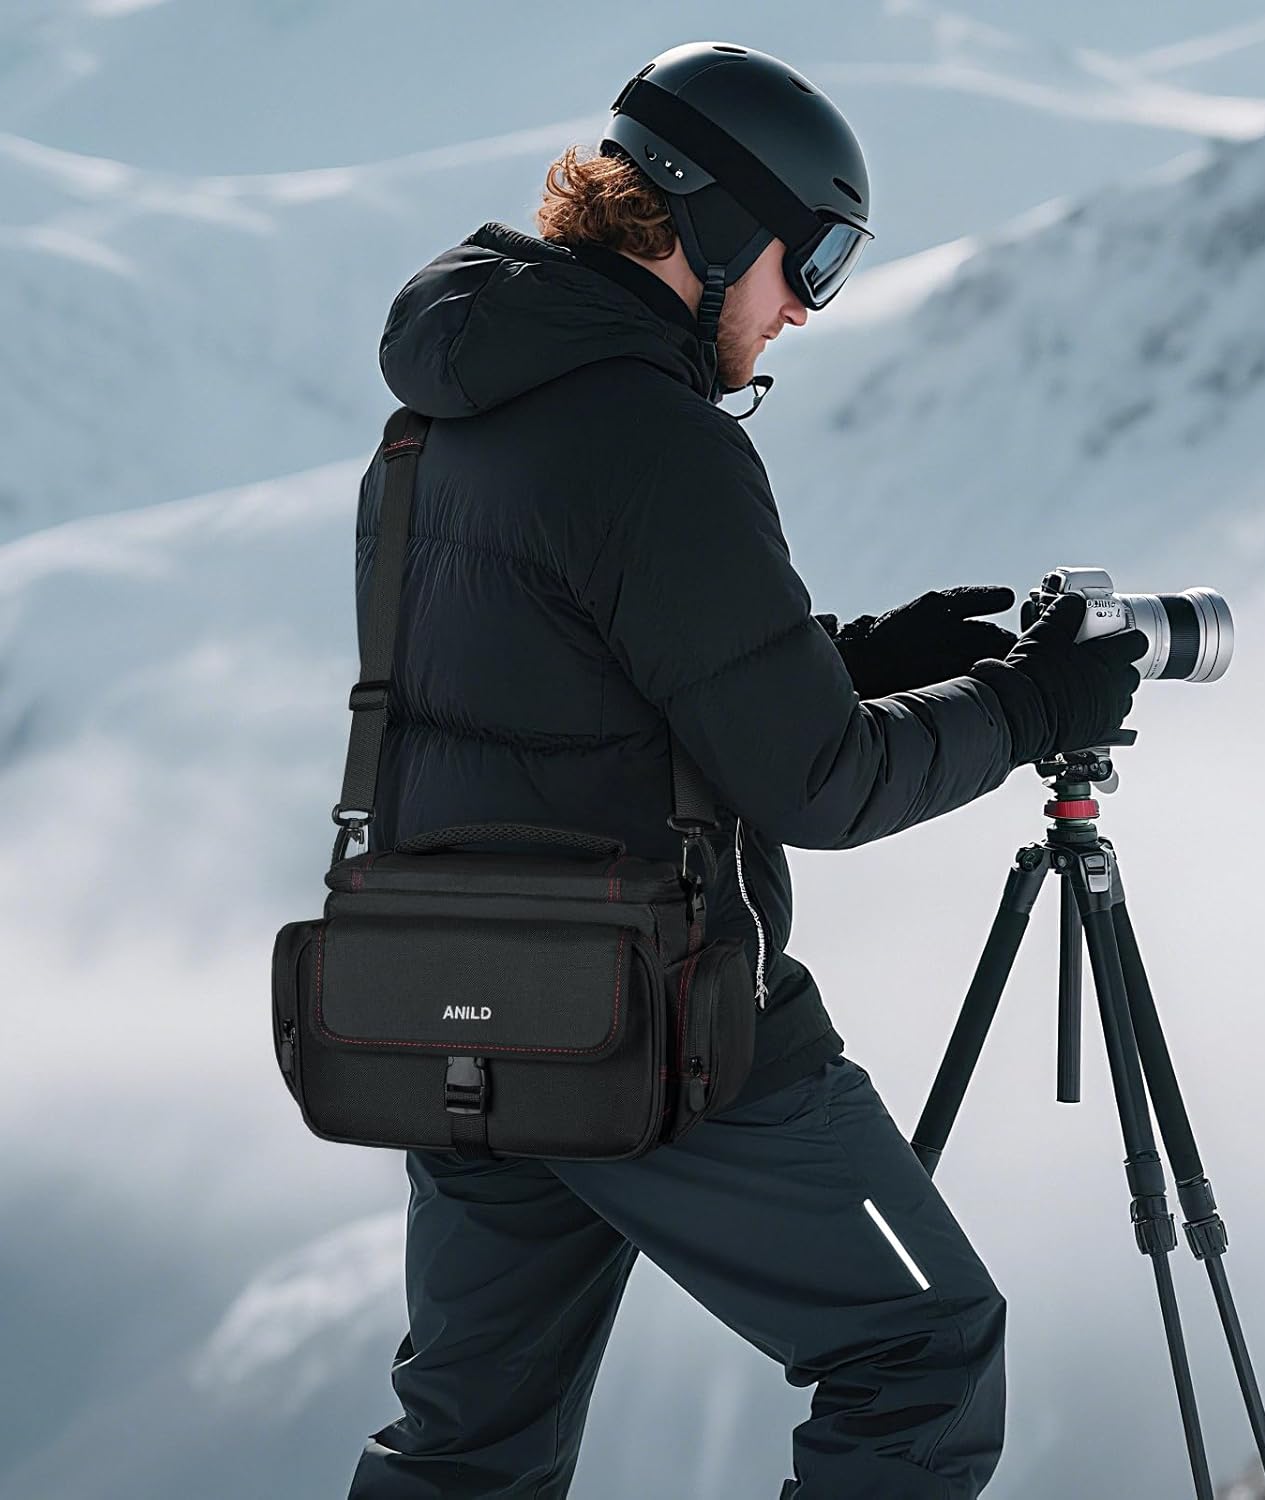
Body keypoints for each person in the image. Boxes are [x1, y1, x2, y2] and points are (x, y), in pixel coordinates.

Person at [344, 40, 1148, 1500]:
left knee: (468, 1453)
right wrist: (1032, 707)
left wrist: (853, 656)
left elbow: (578, 692)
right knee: (922, 1356)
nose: (802, 309)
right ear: (714, 224)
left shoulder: (437, 426)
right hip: (663, 1027)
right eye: (813, 257)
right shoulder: (660, 443)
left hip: (452, 1023)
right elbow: (821, 790)